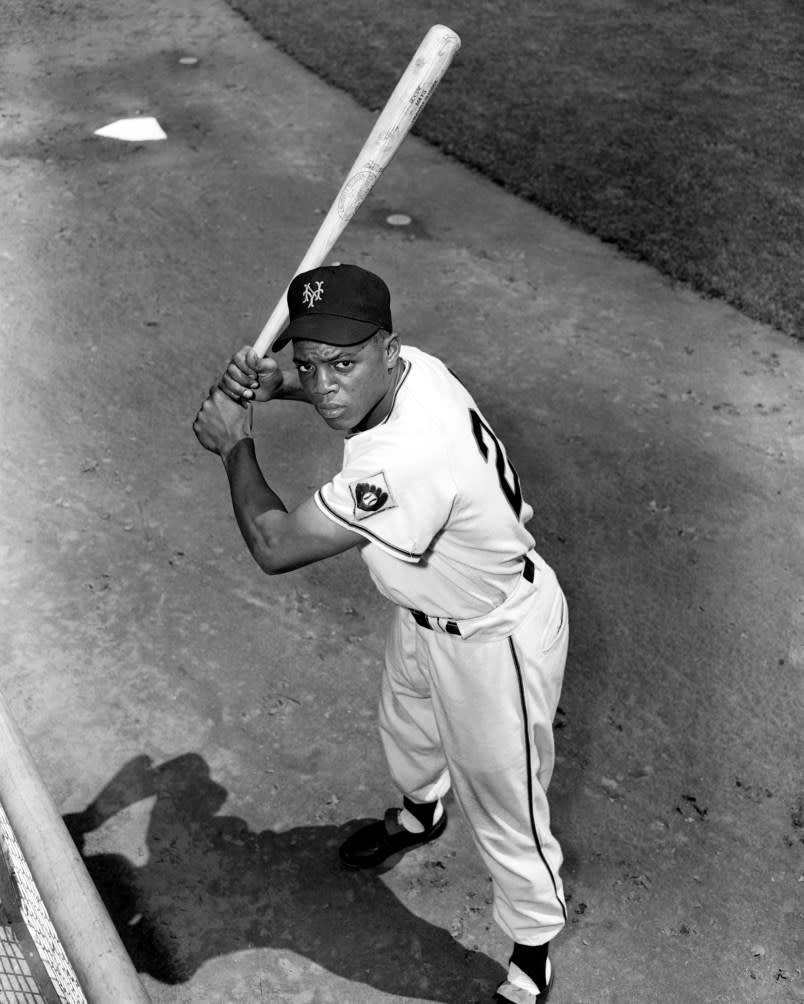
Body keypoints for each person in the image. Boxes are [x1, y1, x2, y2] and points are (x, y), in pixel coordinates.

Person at [193, 263, 569, 1004]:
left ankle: (532, 953)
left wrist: (235, 443)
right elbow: (335, 386)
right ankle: (421, 813)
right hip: (427, 609)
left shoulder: (409, 459)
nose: (324, 383)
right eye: (309, 363)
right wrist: (279, 386)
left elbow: (275, 546)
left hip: (495, 641)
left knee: (507, 805)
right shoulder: (416, 371)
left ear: (387, 350)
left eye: (342, 364)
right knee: (409, 730)